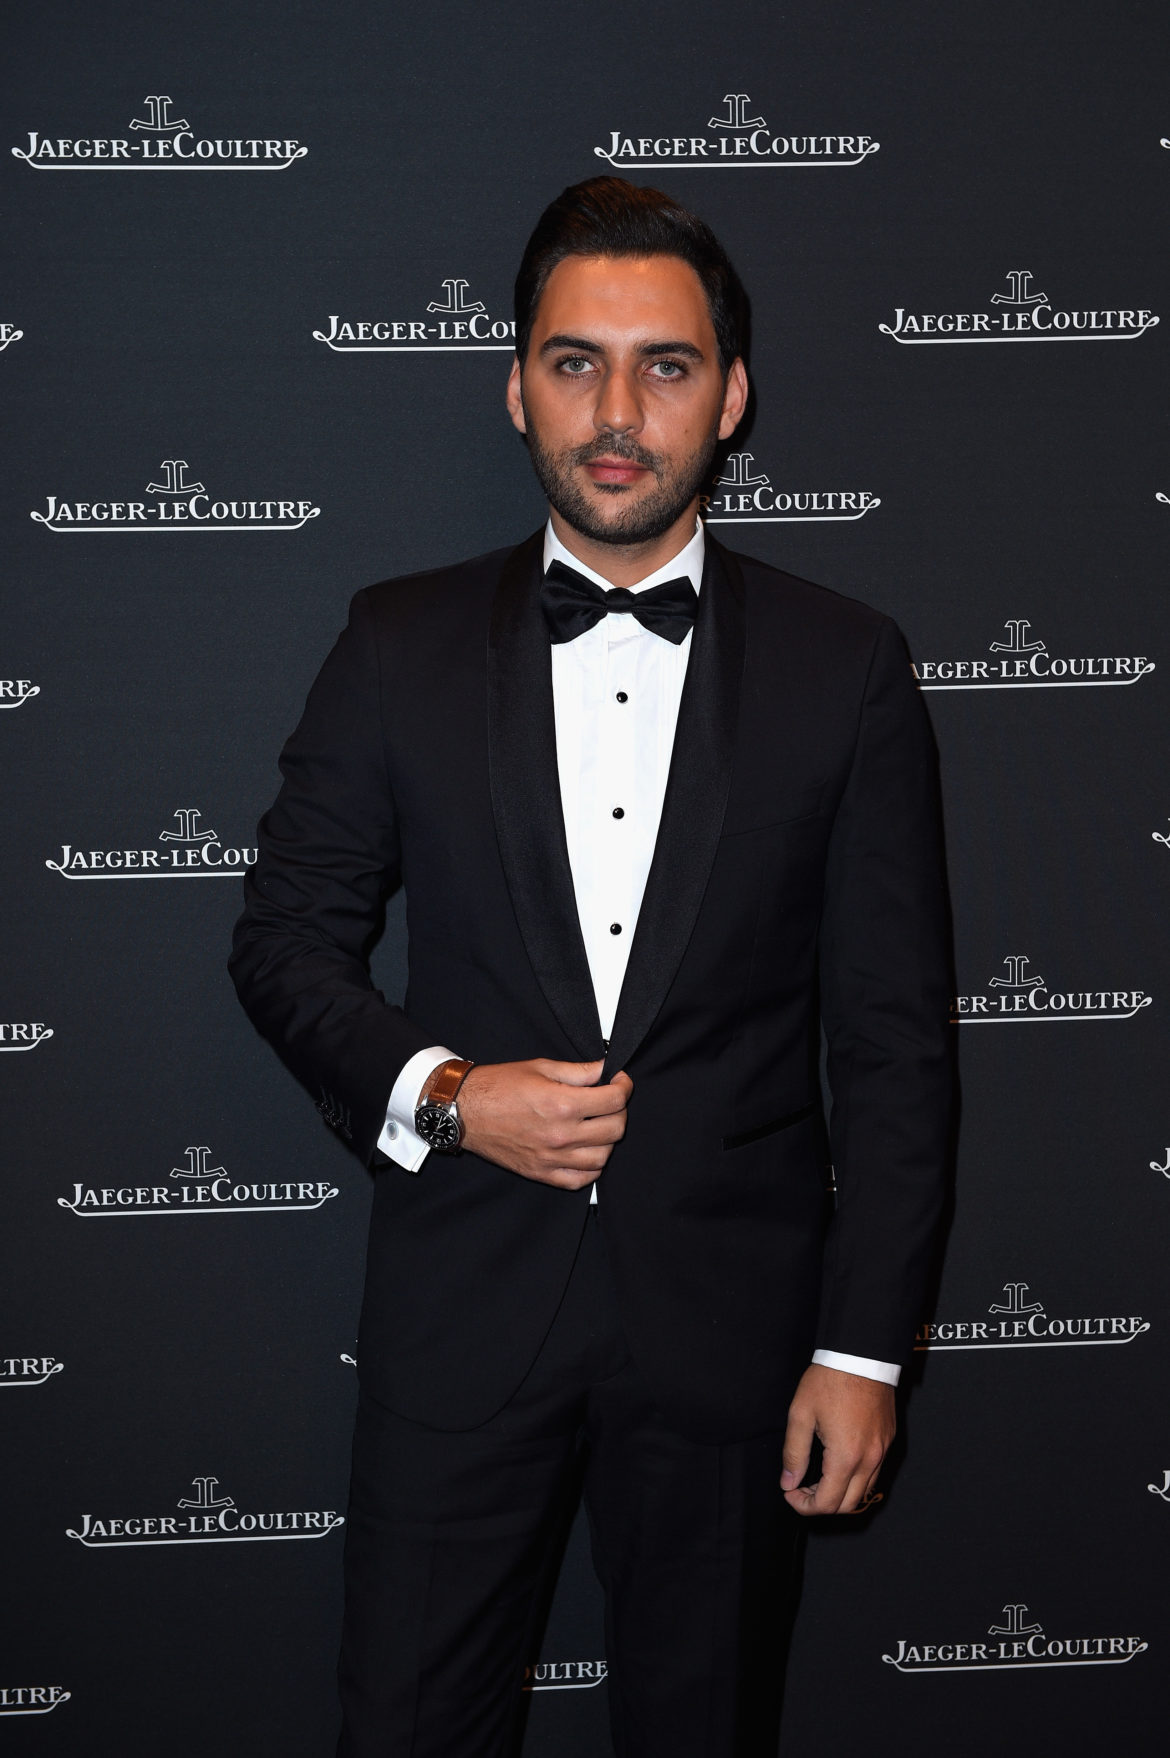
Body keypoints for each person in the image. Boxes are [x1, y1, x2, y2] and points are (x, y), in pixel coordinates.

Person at [229, 176, 954, 1758]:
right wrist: (448, 1093)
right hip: (459, 1316)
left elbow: (893, 1043)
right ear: (516, 385)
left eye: (663, 365)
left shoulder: (846, 666)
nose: (617, 412)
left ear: (730, 395)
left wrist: (859, 1346)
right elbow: (282, 939)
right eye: (575, 362)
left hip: (735, 1342)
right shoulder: (396, 643)